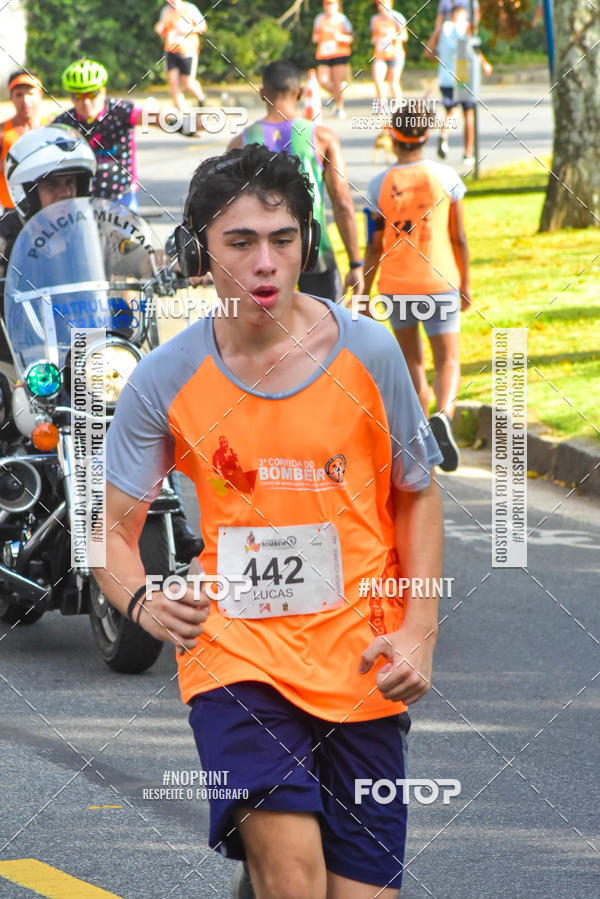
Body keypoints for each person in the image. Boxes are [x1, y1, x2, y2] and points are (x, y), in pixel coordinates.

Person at [94, 143, 444, 898]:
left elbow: (415, 492)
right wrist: (145, 602)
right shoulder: (165, 378)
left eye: (282, 240)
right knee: (293, 878)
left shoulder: (369, 353)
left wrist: (420, 626)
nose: (265, 263)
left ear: (306, 246)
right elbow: (112, 535)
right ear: (200, 251)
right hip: (235, 655)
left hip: (359, 659)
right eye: (240, 241)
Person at [0, 124, 202, 561]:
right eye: (55, 185)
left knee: (151, 410)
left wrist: (167, 273)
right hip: (25, 354)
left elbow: (136, 267)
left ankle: (175, 518)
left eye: (73, 183)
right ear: (28, 192)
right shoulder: (4, 235)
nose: (67, 192)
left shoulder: (101, 229)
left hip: (94, 349)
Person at [363, 103, 471, 471]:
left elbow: (374, 245)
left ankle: (425, 437)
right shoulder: (446, 176)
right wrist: (466, 282)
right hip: (439, 281)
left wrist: (364, 294)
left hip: (396, 285)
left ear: (393, 136)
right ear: (426, 135)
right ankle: (444, 417)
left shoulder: (379, 184)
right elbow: (459, 237)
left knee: (414, 363)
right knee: (448, 359)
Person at [227, 59, 364, 302]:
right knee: (322, 331)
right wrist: (355, 263)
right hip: (314, 250)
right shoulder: (322, 138)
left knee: (267, 333)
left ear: (262, 94)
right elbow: (342, 201)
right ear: (300, 93)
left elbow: (227, 209)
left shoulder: (240, 143)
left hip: (261, 256)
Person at [53, 58, 177, 212]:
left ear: (103, 91)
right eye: (78, 96)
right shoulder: (63, 123)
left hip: (122, 198)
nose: (86, 102)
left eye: (92, 94)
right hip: (82, 203)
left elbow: (151, 117)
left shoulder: (119, 110)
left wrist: (178, 123)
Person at [425, 3, 491, 165]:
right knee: (468, 113)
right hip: (463, 75)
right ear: (464, 15)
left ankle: (444, 135)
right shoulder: (467, 27)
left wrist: (442, 61)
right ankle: (468, 153)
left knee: (451, 111)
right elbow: (474, 49)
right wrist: (484, 64)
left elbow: (427, 53)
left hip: (445, 77)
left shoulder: (441, 29)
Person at [0, 71, 46, 213]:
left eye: (30, 94)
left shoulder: (53, 128)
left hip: (46, 209)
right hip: (11, 212)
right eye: (19, 95)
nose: (25, 100)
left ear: (40, 95)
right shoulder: (3, 132)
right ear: (12, 98)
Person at [154, 0, 207, 111]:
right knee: (173, 83)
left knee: (187, 82)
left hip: (187, 50)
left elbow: (203, 26)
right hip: (171, 50)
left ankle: (201, 99)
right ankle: (184, 114)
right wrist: (159, 28)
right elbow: (162, 26)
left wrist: (188, 30)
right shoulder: (166, 11)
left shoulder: (189, 8)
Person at [312, 0, 354, 118]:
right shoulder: (319, 19)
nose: (329, 7)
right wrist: (317, 37)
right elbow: (315, 35)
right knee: (323, 81)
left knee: (336, 82)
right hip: (324, 54)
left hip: (339, 54)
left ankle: (339, 107)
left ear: (337, 5)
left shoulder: (343, 19)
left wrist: (341, 37)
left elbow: (351, 37)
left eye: (331, 4)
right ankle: (337, 94)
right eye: (326, 4)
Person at [370, 0, 408, 109]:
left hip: (395, 54)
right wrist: (376, 39)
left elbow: (404, 36)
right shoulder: (374, 19)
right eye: (380, 4)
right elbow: (373, 37)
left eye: (384, 3)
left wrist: (392, 36)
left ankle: (398, 107)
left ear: (390, 4)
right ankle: (383, 106)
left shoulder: (397, 17)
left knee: (393, 82)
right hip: (380, 54)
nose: (382, 6)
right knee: (377, 79)